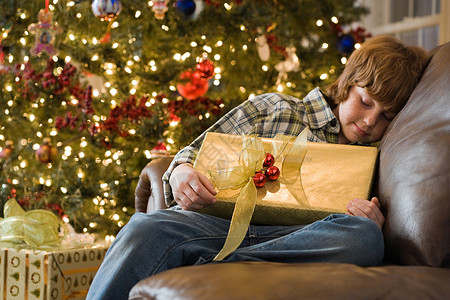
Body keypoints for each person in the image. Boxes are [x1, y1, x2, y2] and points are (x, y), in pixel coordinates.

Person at [86, 35, 429, 299]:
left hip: (290, 241)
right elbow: (191, 153)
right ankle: (210, 262)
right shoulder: (274, 107)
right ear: (346, 84)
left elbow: (359, 230)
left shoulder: (377, 157)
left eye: (386, 115)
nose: (370, 121)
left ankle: (209, 270)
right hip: (214, 224)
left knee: (364, 237)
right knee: (144, 229)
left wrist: (371, 220)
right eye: (365, 101)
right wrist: (181, 173)